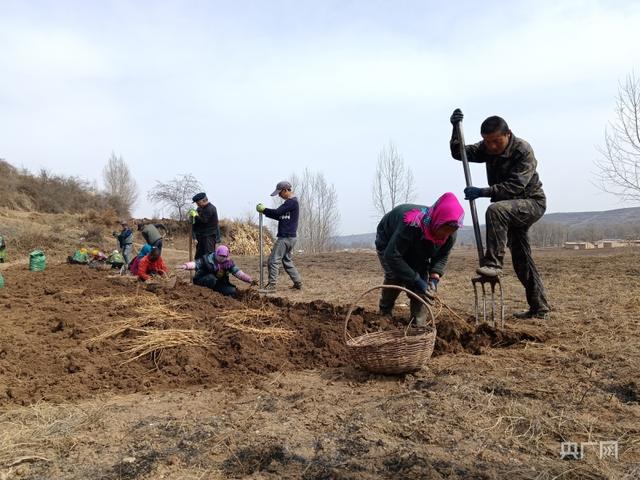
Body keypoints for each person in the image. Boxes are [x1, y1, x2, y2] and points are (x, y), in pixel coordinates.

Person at [450, 108, 550, 320]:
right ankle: (539, 308)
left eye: (496, 141)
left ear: (508, 134)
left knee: (495, 209)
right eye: (487, 142)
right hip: (508, 210)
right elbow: (461, 154)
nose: (492, 146)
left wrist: (483, 192)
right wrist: (455, 131)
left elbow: (515, 186)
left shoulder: (523, 150)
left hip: (530, 203)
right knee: (522, 259)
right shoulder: (487, 148)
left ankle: (493, 264)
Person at [375, 192, 464, 326]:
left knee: (423, 288)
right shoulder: (411, 223)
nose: (445, 235)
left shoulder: (451, 232)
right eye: (444, 230)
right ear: (437, 221)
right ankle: (385, 313)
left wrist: (434, 278)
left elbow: (442, 255)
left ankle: (418, 324)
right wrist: (415, 280)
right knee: (396, 276)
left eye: (450, 231)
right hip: (389, 241)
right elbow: (392, 255)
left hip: (418, 247)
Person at [256, 180, 302, 291]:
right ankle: (298, 283)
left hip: (285, 237)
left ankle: (272, 286)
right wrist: (265, 212)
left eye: (280, 193)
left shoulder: (291, 202)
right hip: (291, 237)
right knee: (286, 261)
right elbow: (279, 216)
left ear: (286, 190)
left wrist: (264, 209)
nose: (279, 196)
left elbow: (277, 212)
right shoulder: (290, 204)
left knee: (273, 260)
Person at [179, 245, 255, 296]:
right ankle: (206, 294)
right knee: (211, 278)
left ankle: (216, 293)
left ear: (227, 256)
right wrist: (186, 266)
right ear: (216, 254)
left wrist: (249, 280)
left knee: (232, 291)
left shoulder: (229, 264)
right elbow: (196, 264)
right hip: (203, 281)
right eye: (220, 256)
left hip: (218, 283)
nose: (222, 258)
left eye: (224, 256)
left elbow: (238, 273)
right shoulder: (207, 259)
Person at [189, 192, 220, 260]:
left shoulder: (210, 209)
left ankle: (209, 270)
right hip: (200, 237)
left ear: (203, 200)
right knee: (198, 257)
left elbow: (204, 221)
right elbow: (196, 223)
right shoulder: (199, 209)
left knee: (208, 257)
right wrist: (192, 219)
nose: (197, 204)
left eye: (198, 202)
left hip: (209, 237)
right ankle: (199, 270)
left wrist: (196, 216)